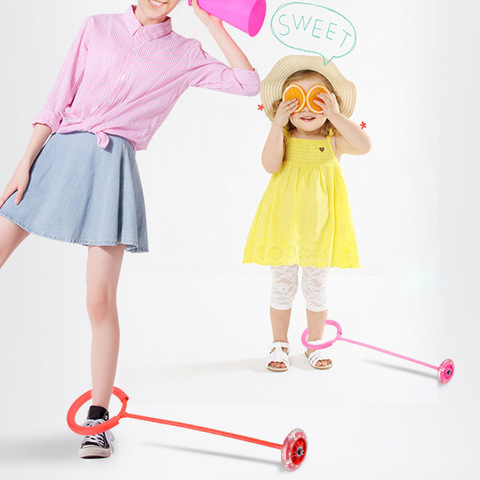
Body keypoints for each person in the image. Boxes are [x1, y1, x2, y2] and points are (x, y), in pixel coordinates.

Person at [0, 0, 260, 458]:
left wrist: (214, 24)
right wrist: (23, 164)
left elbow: (247, 83)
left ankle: (98, 418)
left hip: (111, 170)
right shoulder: (96, 27)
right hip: (57, 155)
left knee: (99, 300)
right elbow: (57, 98)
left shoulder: (184, 51)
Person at [243, 55, 371, 372]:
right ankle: (279, 342)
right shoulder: (284, 137)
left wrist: (336, 116)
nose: (307, 109)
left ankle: (314, 342)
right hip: (284, 225)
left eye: (317, 99)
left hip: (320, 228)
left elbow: (365, 145)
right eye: (295, 100)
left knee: (316, 287)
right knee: (282, 284)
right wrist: (276, 125)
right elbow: (270, 165)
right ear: (283, 106)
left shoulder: (334, 140)